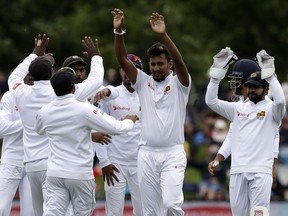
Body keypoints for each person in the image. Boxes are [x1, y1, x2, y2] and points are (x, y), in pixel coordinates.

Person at [8, 34, 106, 216]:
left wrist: (34, 54)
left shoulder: (20, 91)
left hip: (31, 165)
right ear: (52, 73)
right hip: (52, 165)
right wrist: (96, 56)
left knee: (40, 213)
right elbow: (96, 80)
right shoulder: (60, 93)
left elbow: (14, 76)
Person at [112, 8, 191, 215]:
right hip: (146, 154)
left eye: (160, 64)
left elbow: (182, 63)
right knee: (150, 212)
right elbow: (122, 59)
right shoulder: (142, 82)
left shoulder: (180, 84)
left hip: (172, 153)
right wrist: (118, 32)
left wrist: (163, 35)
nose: (156, 68)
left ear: (170, 64)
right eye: (153, 64)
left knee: (172, 205)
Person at [34, 70, 138, 216]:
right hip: (79, 174)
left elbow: (38, 130)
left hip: (55, 174)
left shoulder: (45, 111)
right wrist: (130, 120)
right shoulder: (85, 109)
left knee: (53, 213)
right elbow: (116, 128)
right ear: (73, 88)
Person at [205, 48, 285, 215]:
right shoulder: (238, 108)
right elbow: (211, 102)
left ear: (266, 89)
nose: (251, 89)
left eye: (256, 86)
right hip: (238, 170)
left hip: (260, 171)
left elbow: (280, 103)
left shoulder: (271, 109)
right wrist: (216, 74)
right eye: (249, 86)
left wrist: (270, 74)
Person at [94, 54, 143, 216]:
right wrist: (105, 162)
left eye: (133, 70)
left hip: (141, 164)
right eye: (125, 69)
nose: (128, 73)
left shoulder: (147, 95)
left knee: (143, 211)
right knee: (114, 212)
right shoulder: (109, 96)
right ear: (120, 71)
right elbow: (99, 130)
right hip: (115, 165)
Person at [0, 75, 35, 216]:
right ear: (23, 76)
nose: (32, 79)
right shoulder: (10, 96)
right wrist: (28, 122)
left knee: (30, 213)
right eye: (29, 75)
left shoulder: (47, 96)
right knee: (1, 208)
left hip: (33, 161)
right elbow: (1, 129)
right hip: (11, 159)